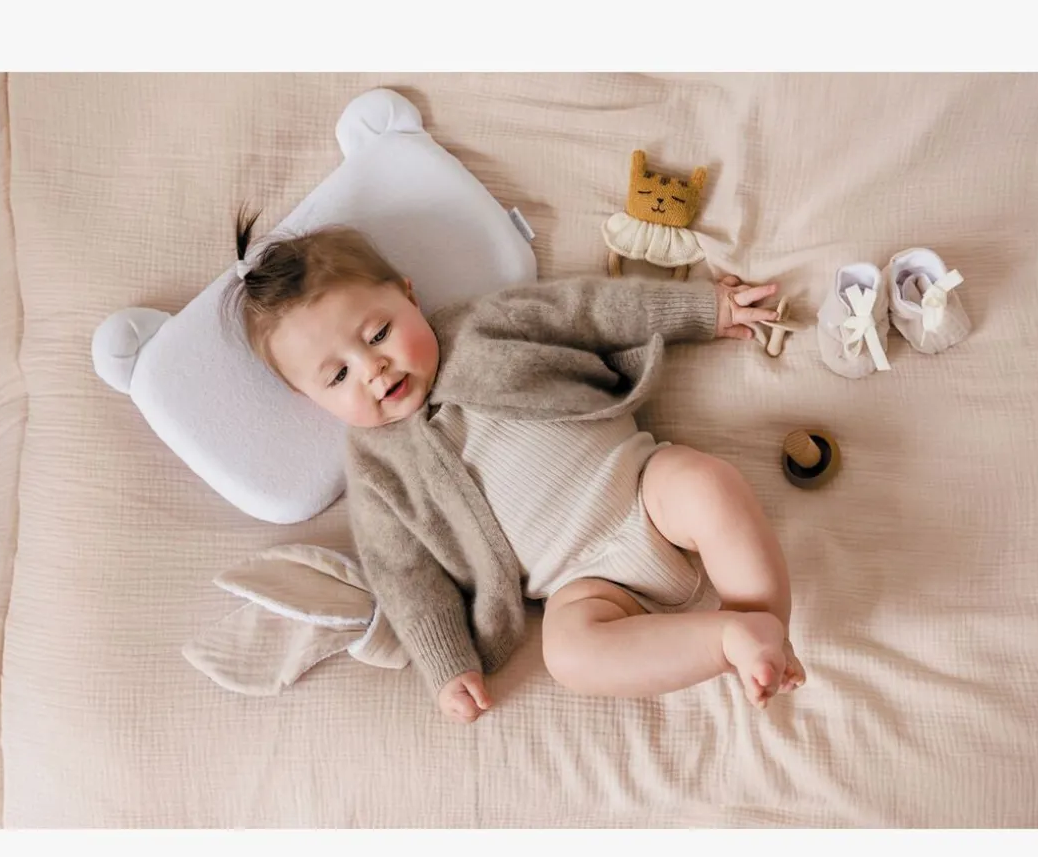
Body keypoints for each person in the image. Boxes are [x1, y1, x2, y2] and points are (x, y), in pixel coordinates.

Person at [228, 210, 805, 725]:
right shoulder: (375, 469)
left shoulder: (481, 325)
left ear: (409, 296)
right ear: (312, 399)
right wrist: (447, 664)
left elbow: (588, 312)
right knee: (570, 657)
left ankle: (765, 626)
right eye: (338, 376)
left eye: (379, 333)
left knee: (707, 484)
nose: (373, 368)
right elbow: (405, 577)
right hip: (580, 586)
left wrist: (704, 310)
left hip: (642, 488)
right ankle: (726, 640)